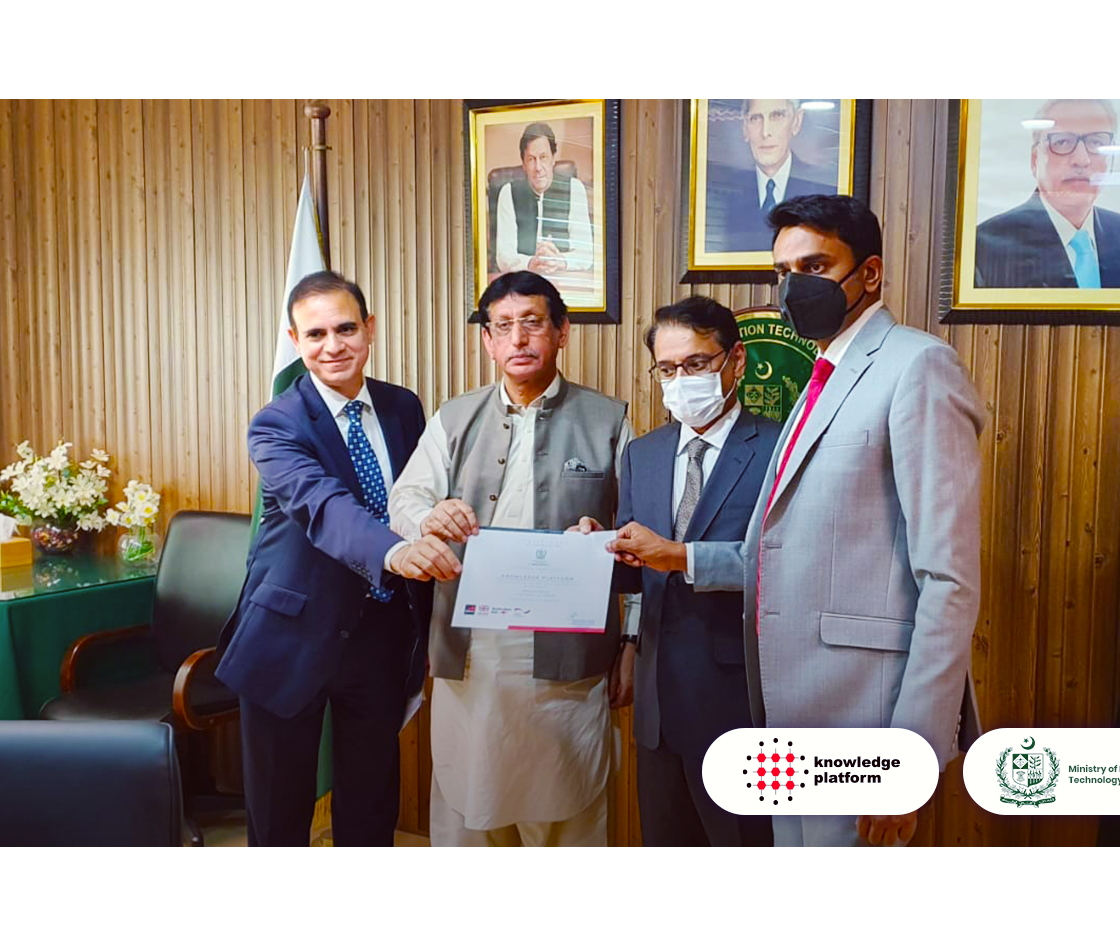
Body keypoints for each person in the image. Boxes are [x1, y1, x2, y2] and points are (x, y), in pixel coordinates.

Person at [695, 195, 984, 847]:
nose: (795, 286)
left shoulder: (918, 365)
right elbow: (779, 548)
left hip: (863, 718)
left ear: (870, 273)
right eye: (783, 271)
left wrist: (909, 756)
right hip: (789, 713)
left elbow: (948, 578)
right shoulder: (822, 374)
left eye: (815, 266)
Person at [386, 270, 632, 846]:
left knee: (567, 816)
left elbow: (638, 534)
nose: (518, 339)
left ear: (562, 332)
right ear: (487, 341)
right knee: (470, 810)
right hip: (473, 652)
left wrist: (632, 638)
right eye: (503, 327)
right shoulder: (454, 417)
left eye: (532, 323)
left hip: (568, 657)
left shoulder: (609, 420)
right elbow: (404, 499)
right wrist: (430, 517)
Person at [215, 271, 461, 847]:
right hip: (289, 636)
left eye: (346, 329)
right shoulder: (276, 423)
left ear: (369, 329)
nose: (333, 346)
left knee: (371, 805)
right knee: (279, 816)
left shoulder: (403, 408)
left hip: (381, 635)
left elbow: (415, 501)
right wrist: (396, 552)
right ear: (295, 340)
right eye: (316, 334)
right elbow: (324, 506)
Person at [575, 295, 779, 846]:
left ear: (735, 360)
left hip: (739, 703)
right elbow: (638, 572)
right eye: (667, 369)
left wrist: (680, 556)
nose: (681, 380)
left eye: (696, 364)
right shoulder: (643, 453)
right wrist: (596, 550)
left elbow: (786, 566)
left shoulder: (779, 448)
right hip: (658, 705)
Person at [974, 99, 1120, 288]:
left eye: (1096, 142)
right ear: (1035, 160)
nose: (1081, 159)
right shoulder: (984, 249)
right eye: (1062, 142)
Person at [709, 99, 834, 253]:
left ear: (796, 122)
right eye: (755, 118)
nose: (765, 132)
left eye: (777, 116)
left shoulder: (822, 188)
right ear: (745, 128)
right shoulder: (724, 192)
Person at [494, 121, 594, 277]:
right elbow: (504, 257)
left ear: (553, 158)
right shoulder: (508, 193)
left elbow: (586, 254)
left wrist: (559, 260)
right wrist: (531, 263)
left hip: (564, 277)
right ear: (523, 164)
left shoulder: (575, 188)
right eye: (531, 159)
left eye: (544, 157)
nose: (538, 167)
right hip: (524, 278)